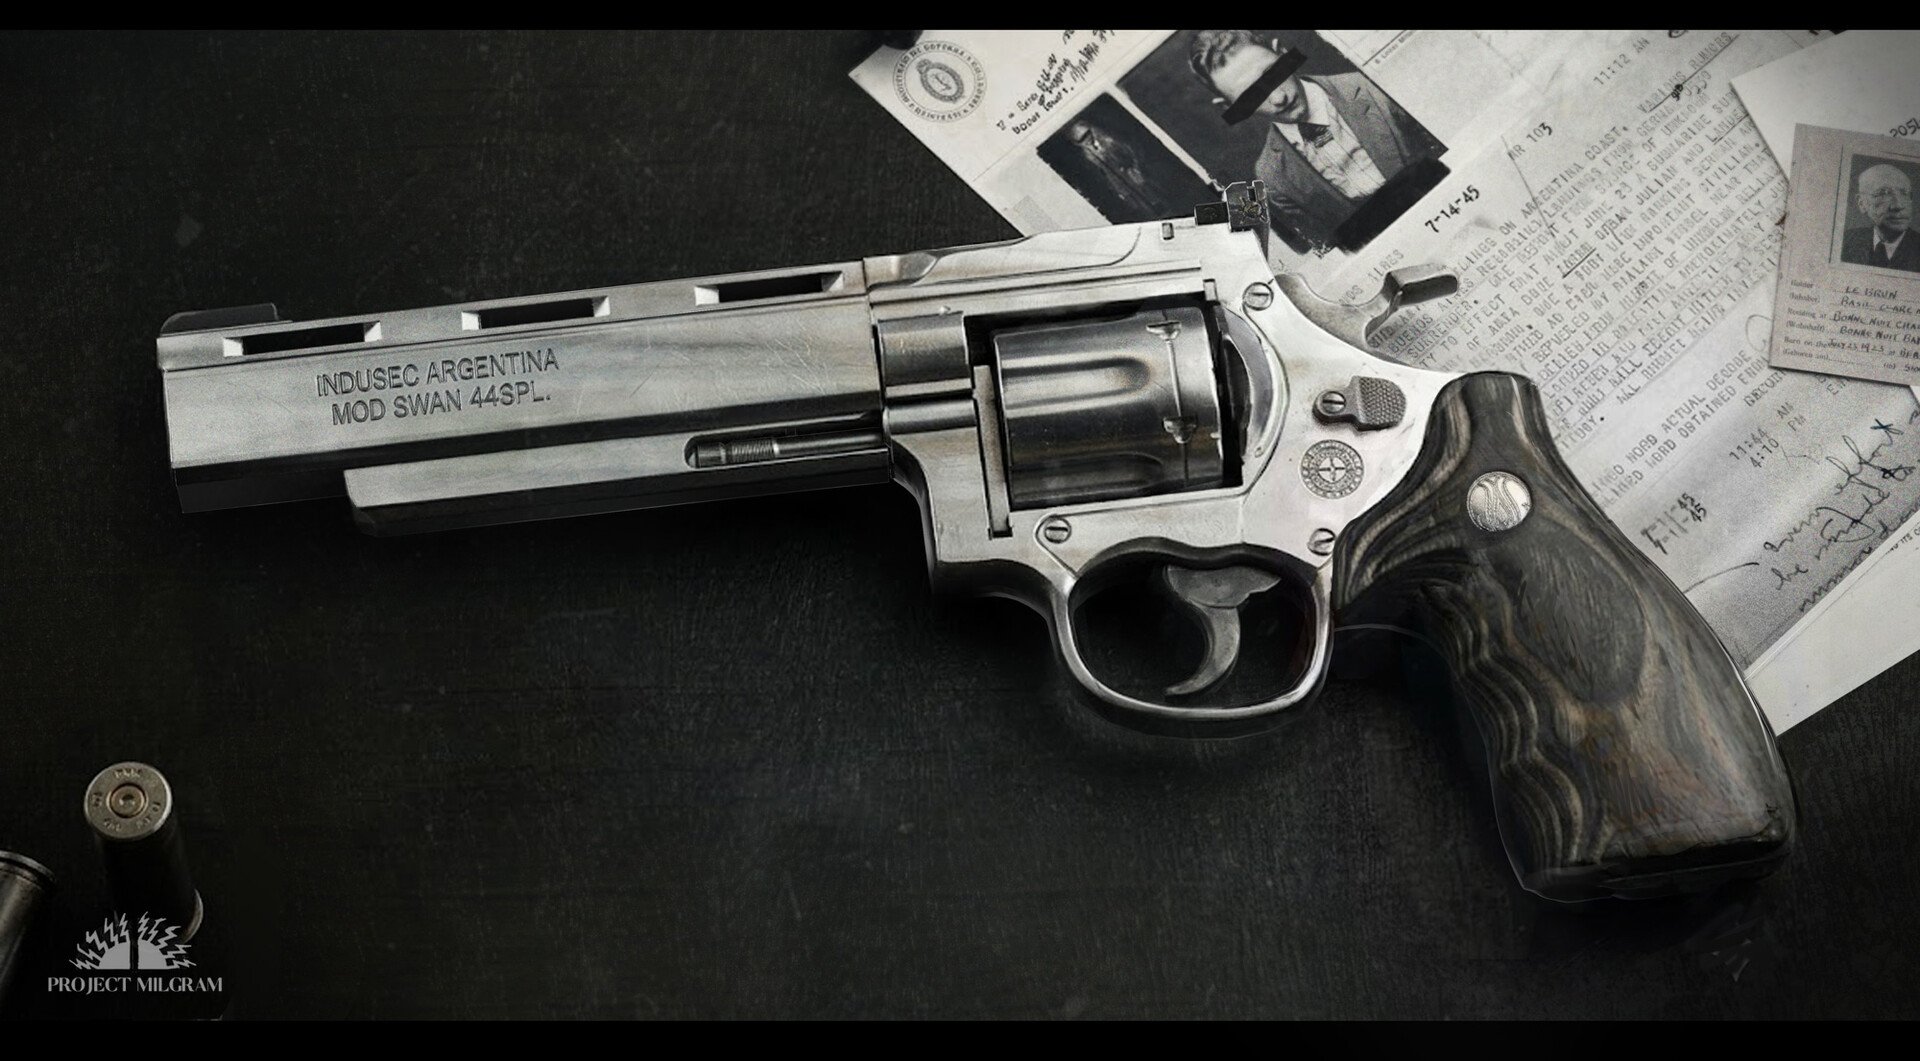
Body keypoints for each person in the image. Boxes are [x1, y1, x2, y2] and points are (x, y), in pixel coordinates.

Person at [1188, 30, 1434, 251]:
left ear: (1283, 52)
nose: (1278, 98)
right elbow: (1334, 249)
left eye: (1272, 74)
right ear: (1229, 107)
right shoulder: (1272, 178)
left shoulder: (1372, 86)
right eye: (1250, 96)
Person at [1840, 163, 1920, 273]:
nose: (1898, 206)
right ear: (1861, 203)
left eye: (1904, 193)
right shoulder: (1845, 241)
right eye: (1883, 193)